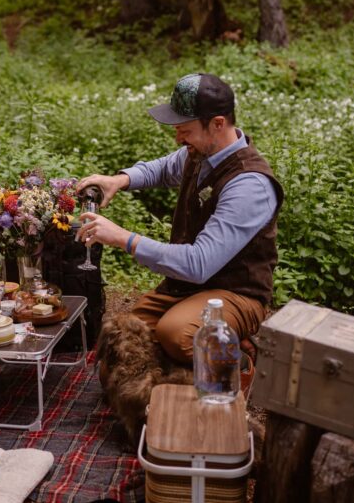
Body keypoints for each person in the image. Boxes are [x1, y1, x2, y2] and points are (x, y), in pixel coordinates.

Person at [77, 73, 283, 368]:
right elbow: (162, 169)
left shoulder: (249, 185)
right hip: (189, 288)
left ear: (218, 123)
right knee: (120, 338)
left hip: (237, 292)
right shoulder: (200, 151)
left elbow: (197, 264)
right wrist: (118, 180)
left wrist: (124, 238)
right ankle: (186, 359)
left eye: (184, 130)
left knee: (177, 335)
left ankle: (240, 360)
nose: (178, 138)